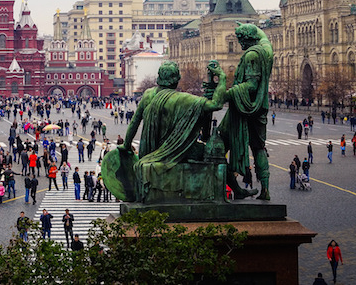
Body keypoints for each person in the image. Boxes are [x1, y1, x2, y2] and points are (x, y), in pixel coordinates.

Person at [114, 60, 227, 202]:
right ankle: (215, 196)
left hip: (148, 152)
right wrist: (222, 78)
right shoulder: (183, 98)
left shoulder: (148, 94)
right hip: (175, 152)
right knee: (213, 154)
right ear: (177, 80)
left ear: (158, 79)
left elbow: (135, 122)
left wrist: (126, 145)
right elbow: (216, 104)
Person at [218, 24, 273, 199]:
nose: (239, 43)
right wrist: (254, 26)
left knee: (219, 145)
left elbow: (251, 85)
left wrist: (227, 94)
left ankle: (229, 188)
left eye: (240, 39)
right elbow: (264, 38)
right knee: (258, 147)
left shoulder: (251, 55)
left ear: (246, 39)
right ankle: (265, 190)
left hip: (244, 108)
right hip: (260, 108)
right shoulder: (265, 51)